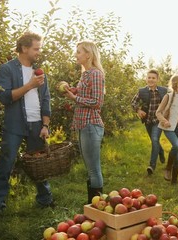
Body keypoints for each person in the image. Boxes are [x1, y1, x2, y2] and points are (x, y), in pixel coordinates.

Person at [0, 32, 53, 221]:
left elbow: (46, 99)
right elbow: (4, 97)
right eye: (36, 48)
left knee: (39, 165)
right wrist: (30, 85)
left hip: (37, 125)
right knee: (6, 164)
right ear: (24, 48)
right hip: (15, 124)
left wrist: (45, 125)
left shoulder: (40, 72)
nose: (38, 52)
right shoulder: (7, 69)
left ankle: (45, 199)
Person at [63, 41, 105, 204]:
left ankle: (96, 207)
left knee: (94, 169)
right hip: (82, 125)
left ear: (88, 55)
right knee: (90, 168)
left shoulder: (95, 73)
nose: (76, 54)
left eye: (79, 52)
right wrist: (72, 90)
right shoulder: (85, 73)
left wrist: (75, 98)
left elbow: (97, 102)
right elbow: (85, 94)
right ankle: (93, 205)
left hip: (91, 125)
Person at [130, 69, 168, 175]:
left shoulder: (163, 91)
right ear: (146, 79)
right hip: (148, 120)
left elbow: (170, 103)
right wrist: (138, 110)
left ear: (157, 79)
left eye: (153, 78)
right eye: (149, 77)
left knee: (155, 139)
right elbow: (133, 102)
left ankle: (152, 165)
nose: (151, 80)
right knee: (154, 140)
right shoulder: (142, 91)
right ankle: (160, 152)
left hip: (158, 120)